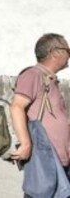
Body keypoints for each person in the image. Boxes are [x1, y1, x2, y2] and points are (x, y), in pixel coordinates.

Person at [10, 34, 70, 193]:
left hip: (58, 159)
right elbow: (16, 107)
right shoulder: (32, 75)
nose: (69, 54)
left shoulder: (47, 78)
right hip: (46, 159)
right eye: (67, 50)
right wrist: (25, 144)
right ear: (54, 52)